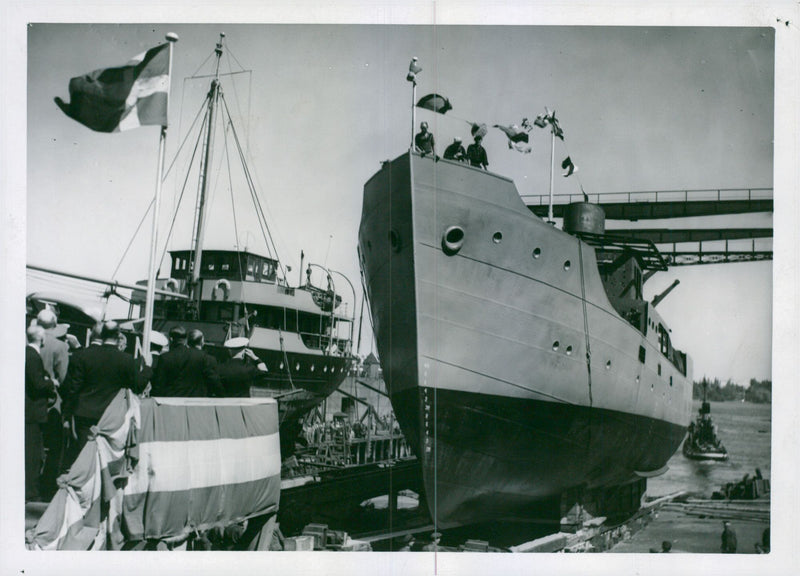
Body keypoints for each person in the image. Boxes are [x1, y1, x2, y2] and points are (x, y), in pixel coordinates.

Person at [61, 321, 146, 455]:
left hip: (85, 412)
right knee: (106, 455)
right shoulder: (126, 359)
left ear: (102, 334)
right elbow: (137, 386)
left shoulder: (84, 355)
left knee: (83, 454)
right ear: (118, 335)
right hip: (111, 414)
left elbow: (74, 387)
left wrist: (67, 413)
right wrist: (147, 369)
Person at [25, 325, 57, 502]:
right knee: (32, 454)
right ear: (41, 338)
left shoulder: (27, 354)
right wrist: (51, 382)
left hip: (29, 412)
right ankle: (30, 490)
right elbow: (37, 384)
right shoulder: (33, 356)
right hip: (32, 413)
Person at [151, 326, 222, 397]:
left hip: (172, 401)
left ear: (171, 339)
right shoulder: (199, 356)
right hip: (195, 401)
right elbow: (213, 381)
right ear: (185, 339)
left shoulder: (165, 358)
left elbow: (158, 385)